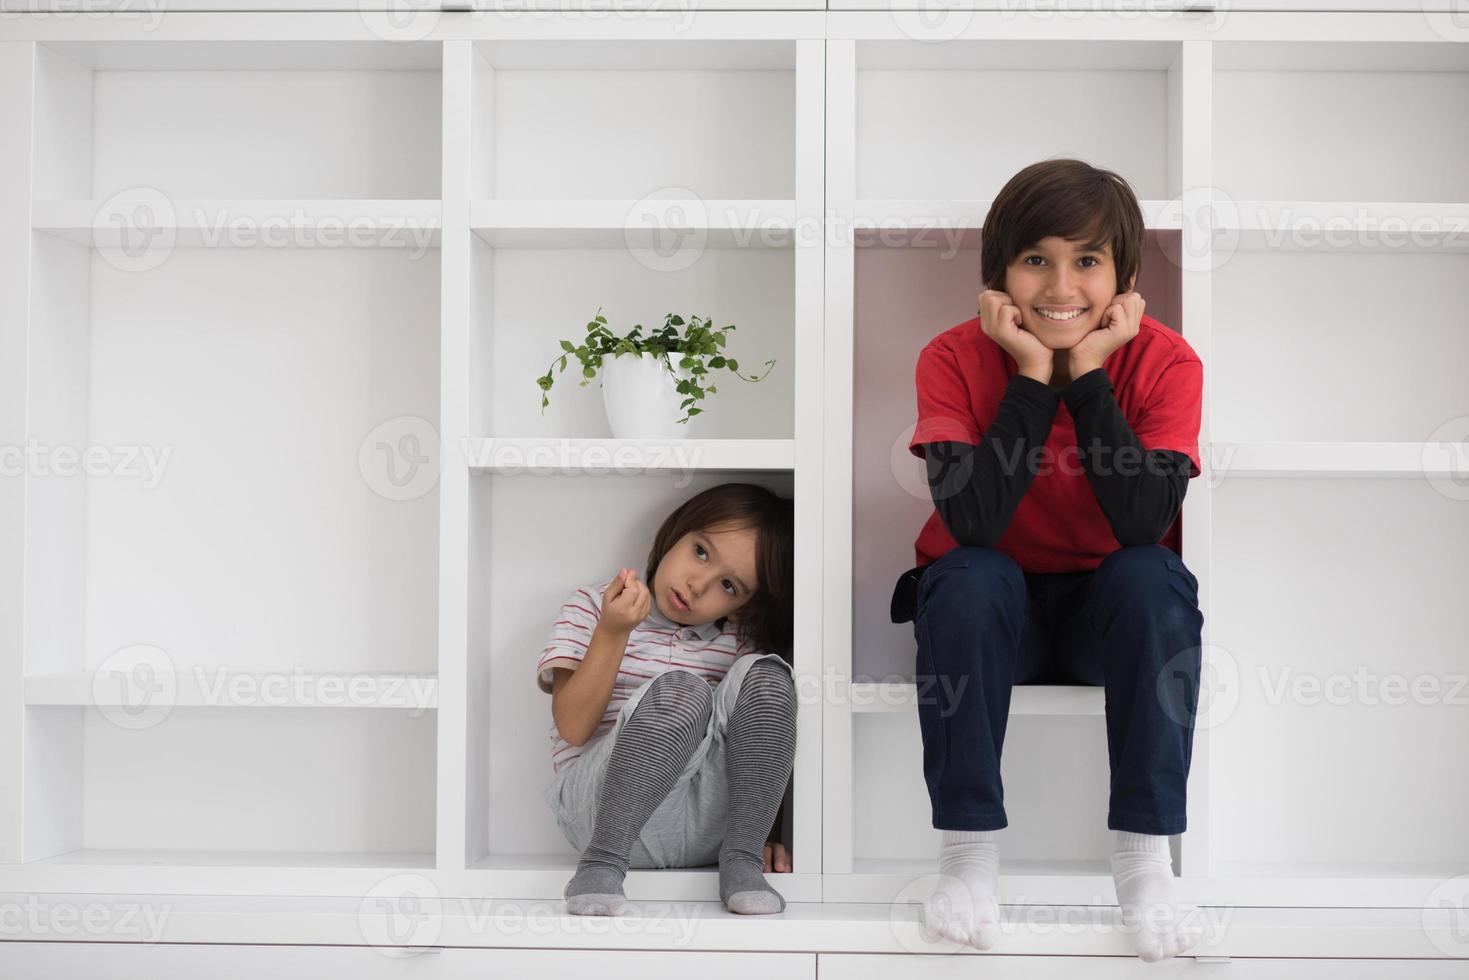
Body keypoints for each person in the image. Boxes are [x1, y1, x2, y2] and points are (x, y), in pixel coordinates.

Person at [891, 158, 1206, 961]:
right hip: (994, 617)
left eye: (1087, 261)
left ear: (1125, 278)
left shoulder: (1166, 361)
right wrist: (1035, 375)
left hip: (1108, 619)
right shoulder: (953, 357)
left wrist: (1089, 373)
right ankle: (965, 858)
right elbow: (972, 522)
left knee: (1150, 573)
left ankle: (1143, 863)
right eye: (1036, 259)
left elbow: (1142, 523)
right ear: (998, 273)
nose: (1060, 286)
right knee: (967, 573)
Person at [537, 483, 796, 916]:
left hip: (706, 832)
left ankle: (743, 860)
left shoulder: (737, 641)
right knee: (684, 690)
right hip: (599, 817)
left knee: (769, 676)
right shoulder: (593, 607)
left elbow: (763, 743)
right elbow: (573, 728)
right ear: (676, 532)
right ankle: (601, 866)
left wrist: (769, 831)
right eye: (700, 552)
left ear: (744, 606)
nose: (697, 584)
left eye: (728, 585)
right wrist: (613, 631)